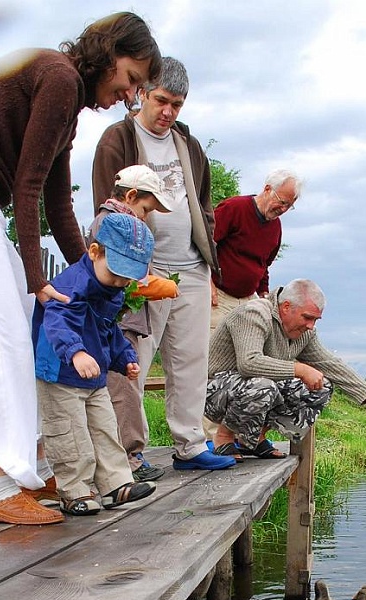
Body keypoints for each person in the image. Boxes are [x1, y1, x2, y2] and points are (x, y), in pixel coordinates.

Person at [0, 12, 162, 525]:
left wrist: (89, 273)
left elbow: (57, 201)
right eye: (131, 79)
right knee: (1, 337)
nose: (130, 95)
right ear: (109, 52)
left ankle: (34, 466)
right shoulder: (58, 78)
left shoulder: (64, 98)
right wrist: (40, 279)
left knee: (29, 324)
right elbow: (27, 190)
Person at [92, 57, 236, 472]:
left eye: (177, 104)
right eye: (161, 101)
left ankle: (190, 446)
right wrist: (126, 270)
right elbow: (108, 205)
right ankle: (126, 452)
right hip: (141, 269)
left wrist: (208, 262)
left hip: (191, 268)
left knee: (191, 362)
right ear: (141, 93)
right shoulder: (116, 138)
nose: (168, 112)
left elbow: (203, 205)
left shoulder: (188, 145)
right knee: (131, 361)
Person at [33, 212, 158, 515]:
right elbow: (57, 320)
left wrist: (124, 357)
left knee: (105, 429)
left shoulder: (112, 290)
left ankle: (115, 484)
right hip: (61, 373)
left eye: (128, 277)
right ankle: (74, 490)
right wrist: (75, 352)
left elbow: (107, 330)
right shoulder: (72, 285)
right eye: (116, 273)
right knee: (70, 434)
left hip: (94, 376)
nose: (120, 282)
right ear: (94, 252)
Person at [206, 279, 366, 459]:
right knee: (263, 386)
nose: (311, 326)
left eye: (315, 320)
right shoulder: (254, 313)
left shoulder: (304, 333)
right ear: (286, 307)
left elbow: (331, 364)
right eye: (307, 317)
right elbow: (249, 363)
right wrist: (300, 369)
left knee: (321, 386)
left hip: (252, 389)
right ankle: (224, 437)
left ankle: (254, 437)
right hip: (213, 392)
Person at [87, 164, 175, 482]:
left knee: (124, 388)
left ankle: (124, 458)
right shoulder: (112, 224)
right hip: (117, 323)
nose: (147, 216)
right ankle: (129, 460)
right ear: (132, 195)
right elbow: (117, 276)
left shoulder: (115, 223)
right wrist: (154, 285)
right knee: (122, 390)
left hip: (122, 321)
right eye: (146, 208)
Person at [210, 169, 302, 330]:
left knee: (248, 348)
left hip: (248, 300)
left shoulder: (275, 227)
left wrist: (264, 293)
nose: (283, 209)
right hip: (219, 295)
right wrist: (207, 282)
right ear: (267, 189)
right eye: (281, 202)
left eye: (289, 206)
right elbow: (205, 245)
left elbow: (263, 264)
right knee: (214, 350)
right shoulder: (234, 208)